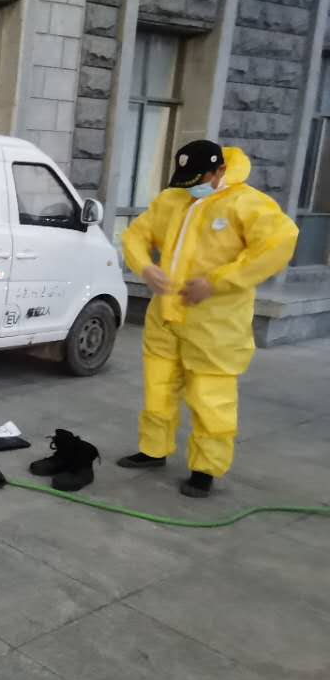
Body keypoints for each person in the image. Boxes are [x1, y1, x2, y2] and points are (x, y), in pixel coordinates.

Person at [120, 139, 298, 497]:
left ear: (219, 171)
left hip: (215, 325)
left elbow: (278, 245)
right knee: (158, 389)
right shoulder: (172, 199)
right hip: (165, 317)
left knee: (211, 398)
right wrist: (145, 267)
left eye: (198, 179)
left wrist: (218, 282)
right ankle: (153, 449)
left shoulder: (247, 204)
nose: (191, 188)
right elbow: (136, 235)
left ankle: (204, 469)